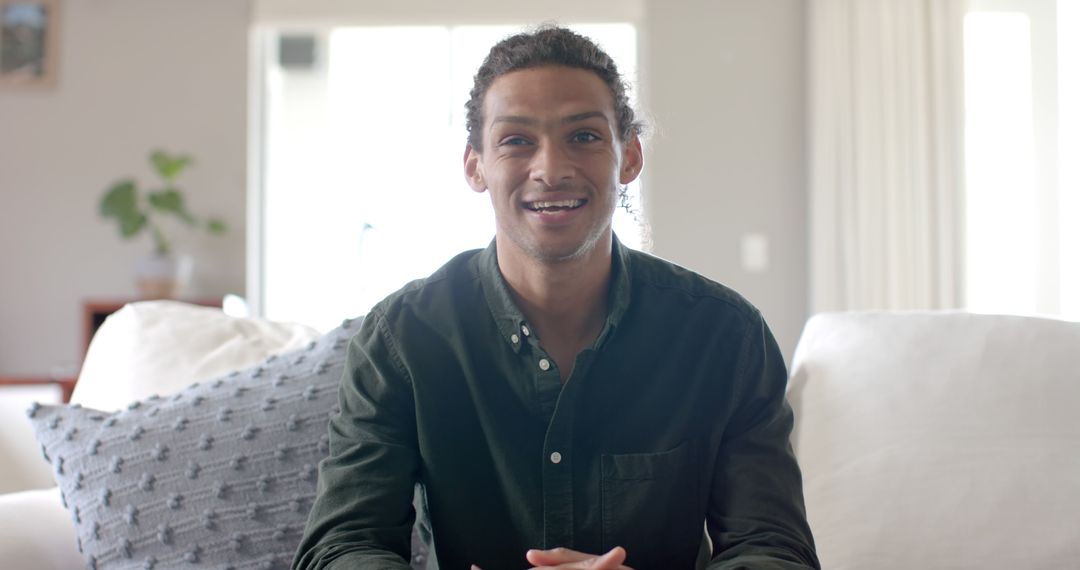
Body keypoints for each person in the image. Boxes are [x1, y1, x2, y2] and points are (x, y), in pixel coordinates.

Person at [293, 25, 819, 570]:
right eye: (517, 140)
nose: (551, 169)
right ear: (476, 165)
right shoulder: (402, 339)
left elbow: (774, 549)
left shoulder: (724, 335)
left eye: (584, 137)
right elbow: (341, 546)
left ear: (630, 156)